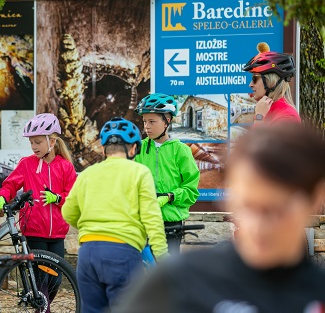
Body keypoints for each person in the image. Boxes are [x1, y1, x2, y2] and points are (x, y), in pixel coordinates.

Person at [115, 123, 325, 313]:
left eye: (276, 210)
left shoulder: (318, 294)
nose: (259, 226)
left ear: (315, 199)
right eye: (247, 206)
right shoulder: (179, 279)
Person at [62, 117, 167, 313]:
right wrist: (162, 257)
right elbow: (152, 219)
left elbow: (68, 213)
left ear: (103, 150)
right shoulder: (139, 172)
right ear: (133, 149)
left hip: (88, 254)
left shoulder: (86, 174)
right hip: (123, 253)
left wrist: (88, 226)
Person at [0, 113, 77, 260]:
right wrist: (1, 198)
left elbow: (72, 196)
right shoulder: (27, 164)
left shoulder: (66, 166)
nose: (33, 147)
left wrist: (57, 198)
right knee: (38, 280)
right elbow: (10, 185)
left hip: (57, 233)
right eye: (31, 142)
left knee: (55, 280)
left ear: (51, 141)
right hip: (33, 232)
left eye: (37, 142)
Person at [135, 93, 200, 254]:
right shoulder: (138, 149)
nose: (146, 127)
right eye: (144, 121)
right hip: (143, 221)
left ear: (167, 121)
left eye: (152, 121)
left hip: (171, 223)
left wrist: (170, 196)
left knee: (167, 273)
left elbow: (191, 191)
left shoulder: (181, 151)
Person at [244, 42, 300, 124]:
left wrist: (259, 117)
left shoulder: (287, 117)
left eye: (255, 78)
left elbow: (258, 137)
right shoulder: (267, 110)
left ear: (271, 81)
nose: (250, 84)